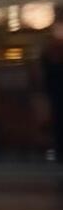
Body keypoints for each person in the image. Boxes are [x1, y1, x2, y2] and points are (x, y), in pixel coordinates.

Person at [43, 22, 63, 162]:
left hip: (56, 94)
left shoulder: (50, 53)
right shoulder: (51, 53)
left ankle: (59, 151)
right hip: (56, 94)